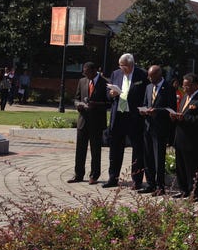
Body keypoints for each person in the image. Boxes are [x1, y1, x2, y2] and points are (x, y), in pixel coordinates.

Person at [102, 53, 148, 189]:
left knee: (137, 149)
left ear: (131, 65)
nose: (121, 68)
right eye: (120, 66)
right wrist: (111, 95)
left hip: (134, 116)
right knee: (115, 147)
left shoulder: (142, 75)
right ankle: (113, 177)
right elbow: (108, 94)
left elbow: (145, 94)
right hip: (118, 115)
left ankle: (137, 180)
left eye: (124, 66)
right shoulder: (116, 74)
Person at [170, 73, 198, 201]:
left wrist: (185, 117)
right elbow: (182, 113)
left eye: (187, 86)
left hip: (193, 141)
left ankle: (194, 193)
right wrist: (175, 117)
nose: (184, 88)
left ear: (195, 85)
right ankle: (183, 190)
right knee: (181, 167)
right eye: (183, 85)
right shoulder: (184, 97)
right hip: (180, 138)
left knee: (193, 168)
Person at [138, 65, 177, 196]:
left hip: (160, 128)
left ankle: (160, 186)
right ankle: (150, 184)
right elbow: (145, 102)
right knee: (148, 157)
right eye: (148, 75)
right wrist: (143, 111)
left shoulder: (169, 88)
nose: (149, 78)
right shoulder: (149, 87)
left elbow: (171, 108)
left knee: (158, 158)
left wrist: (157, 111)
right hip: (148, 126)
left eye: (151, 76)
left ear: (159, 75)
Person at [68, 62, 109, 185]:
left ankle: (94, 175)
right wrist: (78, 104)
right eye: (84, 73)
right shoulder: (82, 81)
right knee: (80, 150)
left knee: (95, 150)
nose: (85, 75)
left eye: (87, 73)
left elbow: (109, 103)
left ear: (94, 71)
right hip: (83, 121)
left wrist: (95, 105)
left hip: (96, 122)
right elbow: (76, 98)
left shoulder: (105, 82)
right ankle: (78, 174)